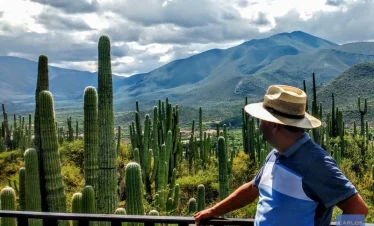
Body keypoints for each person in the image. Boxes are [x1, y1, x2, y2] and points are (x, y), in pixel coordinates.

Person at [194, 85, 368, 226]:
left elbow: (358, 209)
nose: (259, 125)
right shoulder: (276, 154)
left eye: (262, 120)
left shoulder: (316, 163)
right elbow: (252, 189)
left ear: (274, 125)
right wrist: (215, 211)